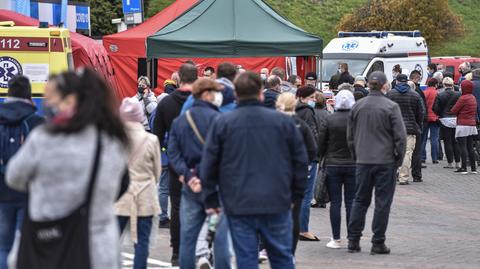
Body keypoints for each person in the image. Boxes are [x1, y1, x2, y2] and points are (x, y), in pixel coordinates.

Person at [6, 68, 129, 269]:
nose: (46, 105)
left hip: (49, 245)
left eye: (52, 99)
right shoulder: (111, 140)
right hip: (99, 250)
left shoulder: (45, 139)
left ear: (70, 101)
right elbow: (122, 183)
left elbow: (14, 176)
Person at [201, 71, 308, 269]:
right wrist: (296, 195)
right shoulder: (283, 123)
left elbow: (209, 166)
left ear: (236, 94)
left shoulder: (223, 123)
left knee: (246, 258)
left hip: (239, 202)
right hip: (277, 200)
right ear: (261, 93)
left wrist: (212, 200)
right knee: (282, 257)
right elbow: (300, 161)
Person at [168, 78, 231, 269]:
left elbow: (173, 153)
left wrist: (188, 176)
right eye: (215, 92)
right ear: (206, 94)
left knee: (188, 238)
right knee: (221, 239)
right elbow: (223, 154)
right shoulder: (220, 120)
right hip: (216, 186)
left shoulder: (180, 121)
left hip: (190, 186)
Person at [347, 71, 407, 255]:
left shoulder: (358, 106)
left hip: (363, 159)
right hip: (385, 160)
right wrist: (398, 159)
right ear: (383, 85)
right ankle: (377, 241)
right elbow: (400, 137)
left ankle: (353, 239)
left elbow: (350, 137)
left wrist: (356, 156)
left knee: (360, 200)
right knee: (382, 202)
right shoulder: (390, 107)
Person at [153, 63, 196, 266]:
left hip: (175, 163)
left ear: (178, 79)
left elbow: (157, 135)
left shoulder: (166, 103)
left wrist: (163, 157)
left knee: (177, 208)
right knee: (202, 207)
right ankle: (201, 249)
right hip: (201, 164)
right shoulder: (202, 102)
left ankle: (177, 251)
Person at [0, 75, 44, 269]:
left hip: (2, 190)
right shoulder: (37, 122)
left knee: (3, 246)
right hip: (30, 191)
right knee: (28, 244)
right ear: (29, 95)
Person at [115, 98, 161, 269]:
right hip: (145, 197)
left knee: (112, 241)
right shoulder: (151, 140)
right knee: (142, 243)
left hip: (121, 197)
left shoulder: (116, 140)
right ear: (140, 116)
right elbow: (157, 172)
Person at [275, 92, 317, 255]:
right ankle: (289, 252)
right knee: (293, 215)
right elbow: (312, 150)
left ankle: (265, 248)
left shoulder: (270, 124)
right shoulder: (300, 125)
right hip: (294, 178)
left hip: (272, 177)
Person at [317, 90, 356, 249]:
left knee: (335, 203)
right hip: (353, 164)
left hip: (333, 164)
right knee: (351, 202)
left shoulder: (329, 119)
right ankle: (352, 238)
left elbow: (321, 143)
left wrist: (321, 156)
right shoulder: (355, 120)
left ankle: (336, 238)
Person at [386, 74, 424, 185]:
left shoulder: (390, 94)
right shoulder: (415, 94)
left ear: (397, 81)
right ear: (407, 81)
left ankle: (393, 175)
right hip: (410, 128)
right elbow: (421, 113)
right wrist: (417, 124)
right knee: (407, 153)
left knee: (392, 151)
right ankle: (404, 177)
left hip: (393, 128)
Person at [295, 86, 320, 241]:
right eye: (312, 97)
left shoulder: (293, 110)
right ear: (304, 97)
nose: (314, 100)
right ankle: (303, 229)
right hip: (307, 158)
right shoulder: (308, 112)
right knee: (306, 195)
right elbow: (313, 135)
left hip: (295, 157)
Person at [433, 77, 461, 169]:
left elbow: (435, 108)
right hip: (456, 119)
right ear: (452, 84)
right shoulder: (458, 94)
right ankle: (458, 163)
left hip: (444, 119)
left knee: (447, 142)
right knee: (455, 141)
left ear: (444, 84)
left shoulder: (440, 94)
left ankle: (450, 163)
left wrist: (440, 113)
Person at [451, 80, 478, 174]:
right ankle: (474, 168)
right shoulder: (473, 97)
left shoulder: (463, 98)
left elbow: (454, 110)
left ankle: (464, 168)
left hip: (463, 124)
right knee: (470, 146)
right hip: (471, 124)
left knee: (462, 147)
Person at [409, 70, 427, 178]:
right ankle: (416, 175)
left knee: (404, 151)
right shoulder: (417, 94)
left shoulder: (393, 94)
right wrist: (420, 123)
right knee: (416, 151)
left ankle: (401, 173)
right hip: (415, 125)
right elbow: (422, 111)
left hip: (401, 127)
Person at [421, 78, 441, 164]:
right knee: (434, 138)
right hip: (435, 117)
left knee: (423, 139)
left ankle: (422, 157)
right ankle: (435, 158)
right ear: (436, 84)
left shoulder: (424, 93)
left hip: (425, 118)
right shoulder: (437, 93)